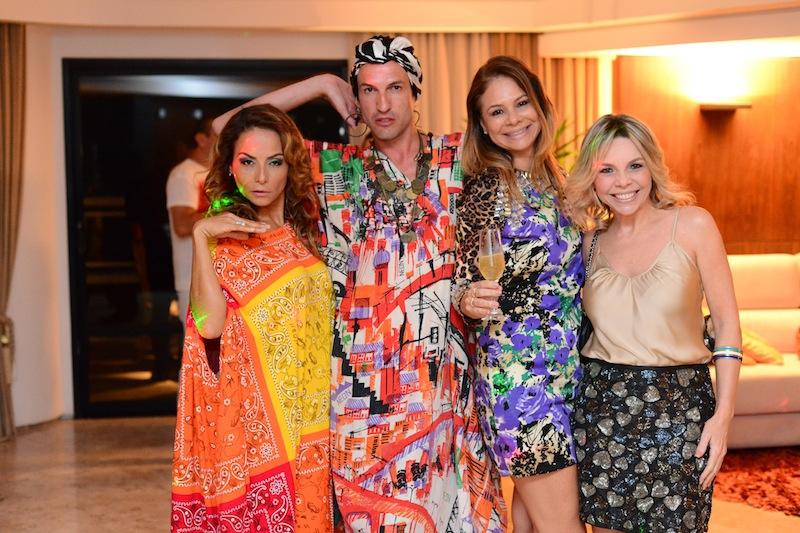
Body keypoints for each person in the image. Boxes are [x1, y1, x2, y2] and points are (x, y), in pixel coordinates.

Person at [213, 35, 505, 532]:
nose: (382, 103)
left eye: (394, 87)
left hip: (448, 387)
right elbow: (226, 129)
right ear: (355, 98)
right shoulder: (333, 168)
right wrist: (320, 83)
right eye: (368, 90)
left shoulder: (458, 156)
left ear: (415, 91)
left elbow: (520, 146)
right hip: (363, 395)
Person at [565, 114, 741, 533]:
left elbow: (727, 325)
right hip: (602, 411)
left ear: (652, 167)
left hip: (681, 410)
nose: (623, 182)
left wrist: (723, 416)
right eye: (607, 170)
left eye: (634, 165)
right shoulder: (589, 243)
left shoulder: (694, 224)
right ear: (592, 178)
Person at [171, 104, 334, 532]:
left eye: (274, 162)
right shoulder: (225, 241)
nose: (261, 177)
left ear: (290, 165)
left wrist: (323, 84)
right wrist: (201, 235)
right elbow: (208, 325)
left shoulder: (310, 229)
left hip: (316, 417)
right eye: (248, 162)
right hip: (259, 434)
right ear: (231, 166)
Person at [453, 56, 585, 533]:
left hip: (567, 372)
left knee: (533, 520)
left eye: (521, 103)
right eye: (497, 111)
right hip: (519, 378)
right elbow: (459, 277)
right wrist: (467, 299)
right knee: (565, 525)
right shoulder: (484, 189)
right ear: (483, 126)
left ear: (540, 106)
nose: (513, 119)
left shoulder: (561, 180)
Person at [166, 116, 216, 329]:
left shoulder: (222, 172)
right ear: (201, 139)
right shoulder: (183, 174)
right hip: (192, 280)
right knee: (198, 346)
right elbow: (182, 225)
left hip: (220, 277)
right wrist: (225, 210)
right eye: (219, 135)